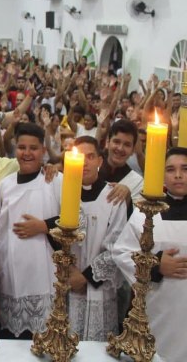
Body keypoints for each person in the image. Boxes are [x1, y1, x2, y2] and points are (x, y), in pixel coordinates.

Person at [112, 147, 187, 362]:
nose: (179, 175)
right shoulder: (146, 210)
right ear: (162, 175)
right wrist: (155, 266)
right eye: (171, 169)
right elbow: (122, 252)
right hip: (158, 306)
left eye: (185, 169)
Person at [0, 122, 62, 339]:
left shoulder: (55, 180)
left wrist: (44, 226)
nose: (27, 153)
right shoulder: (4, 185)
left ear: (43, 150)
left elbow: (76, 220)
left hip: (43, 272)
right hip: (10, 272)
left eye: (33, 148)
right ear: (15, 150)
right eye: (22, 147)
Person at [68, 136, 127, 341]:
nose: (84, 162)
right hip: (67, 284)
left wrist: (84, 277)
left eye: (90, 156)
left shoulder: (113, 197)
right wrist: (70, 271)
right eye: (79, 157)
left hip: (99, 288)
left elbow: (117, 246)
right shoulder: (64, 194)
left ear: (100, 161)